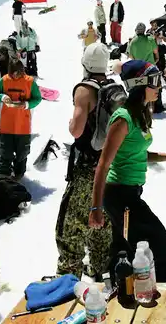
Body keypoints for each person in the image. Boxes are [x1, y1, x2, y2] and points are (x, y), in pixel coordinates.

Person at [89, 60, 166, 282]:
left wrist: (165, 156)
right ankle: (164, 295)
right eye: (154, 81)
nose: (159, 87)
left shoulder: (140, 113)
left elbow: (134, 153)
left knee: (125, 250)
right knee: (163, 247)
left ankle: (119, 290)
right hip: (120, 195)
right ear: (139, 84)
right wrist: (95, 207)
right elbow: (103, 164)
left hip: (131, 192)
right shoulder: (123, 118)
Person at [55, 44, 114, 279]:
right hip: (110, 165)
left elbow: (77, 131)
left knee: (71, 224)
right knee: (103, 222)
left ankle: (69, 277)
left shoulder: (84, 90)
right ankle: (101, 270)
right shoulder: (113, 88)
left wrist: (71, 123)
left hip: (88, 166)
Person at [0, 59, 42, 180]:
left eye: (17, 73)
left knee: (22, 153)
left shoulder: (30, 82)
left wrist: (26, 104)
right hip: (6, 125)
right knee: (6, 153)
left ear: (22, 70)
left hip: (22, 126)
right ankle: (3, 176)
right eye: (12, 73)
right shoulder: (4, 80)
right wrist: (3, 97)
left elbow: (37, 98)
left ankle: (19, 175)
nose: (14, 75)